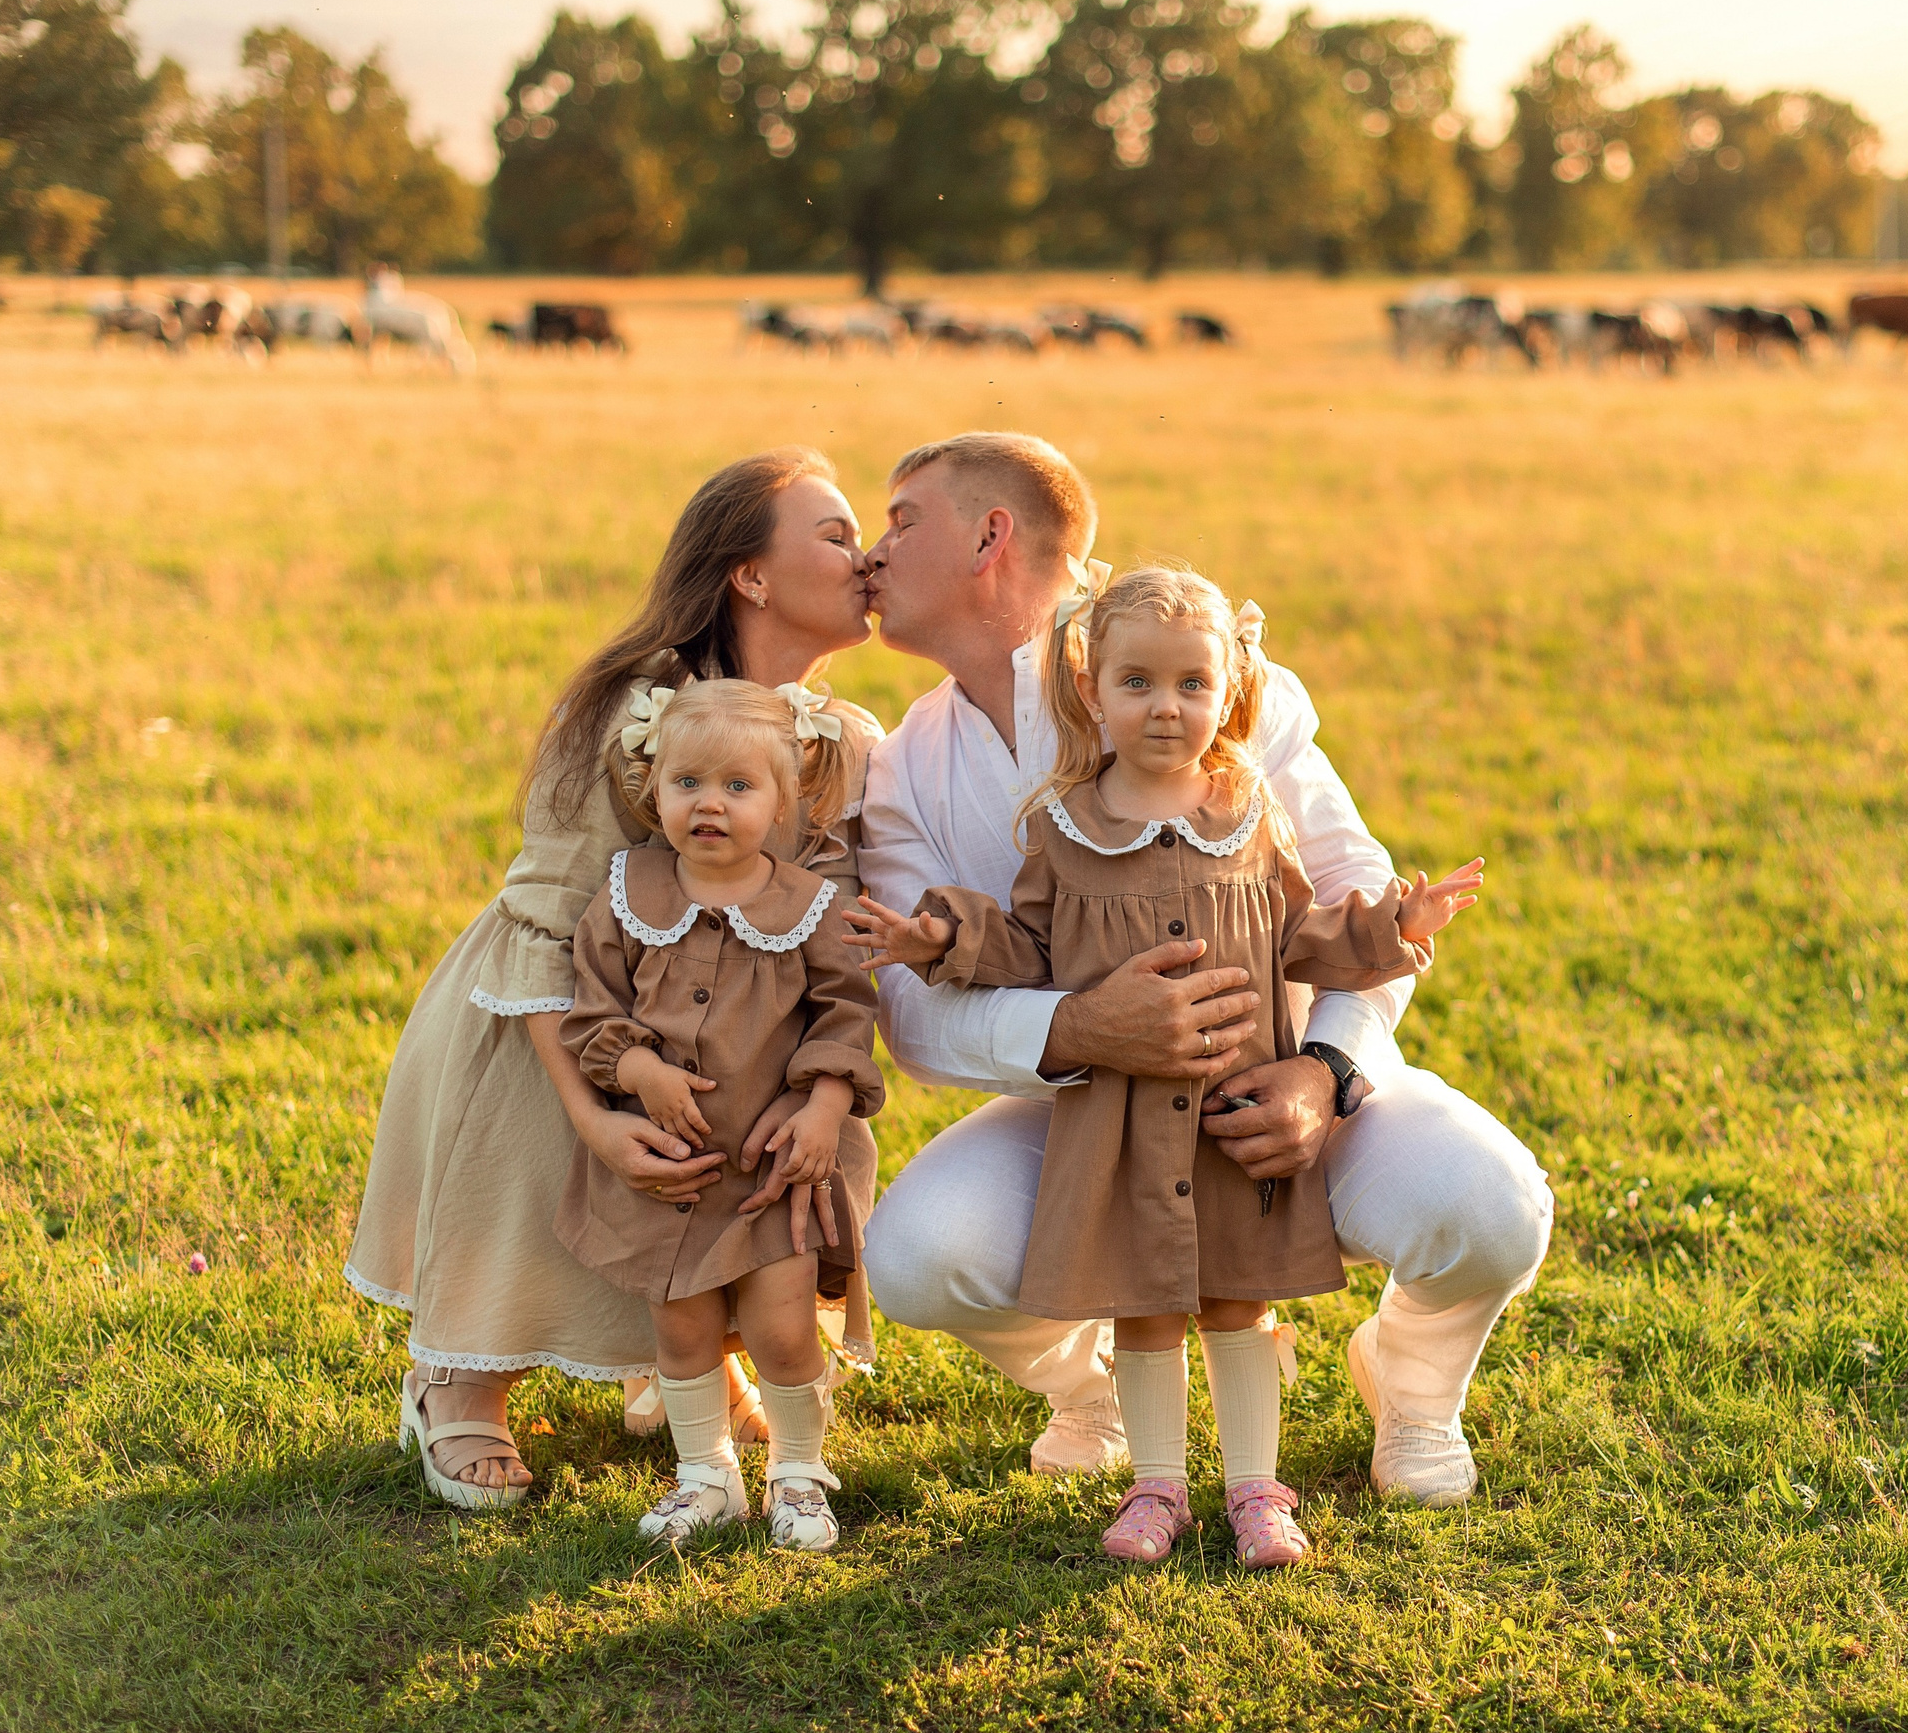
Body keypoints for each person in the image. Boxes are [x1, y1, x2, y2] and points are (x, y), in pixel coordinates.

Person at [856, 433, 1554, 1507]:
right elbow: (909, 1006)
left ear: (990, 536)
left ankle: (1412, 1385)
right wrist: (1085, 1030)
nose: (873, 549)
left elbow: (1346, 883)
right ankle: (1095, 1391)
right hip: (1086, 1111)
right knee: (915, 1255)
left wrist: (1324, 1069)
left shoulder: (1199, 665)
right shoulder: (904, 763)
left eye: (901, 519)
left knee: (1493, 1203)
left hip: (1266, 1082)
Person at [348, 448, 884, 1510]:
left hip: (735, 1032)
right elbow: (543, 927)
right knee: (573, 1117)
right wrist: (595, 1115)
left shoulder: (846, 738)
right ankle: (460, 1373)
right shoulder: (636, 715)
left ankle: (691, 1346)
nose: (862, 555)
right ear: (751, 575)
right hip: (561, 1005)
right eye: (832, 532)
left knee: (772, 1120)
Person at [562, 680, 883, 1548]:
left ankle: (800, 1475)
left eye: (739, 787)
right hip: (672, 1173)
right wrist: (635, 1067)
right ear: (653, 789)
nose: (710, 804)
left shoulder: (808, 907)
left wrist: (823, 1107)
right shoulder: (630, 891)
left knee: (781, 1329)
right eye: (687, 784)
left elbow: (847, 1017)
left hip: (772, 1173)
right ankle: (705, 1476)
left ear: (782, 804)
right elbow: (588, 1006)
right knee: (682, 1326)